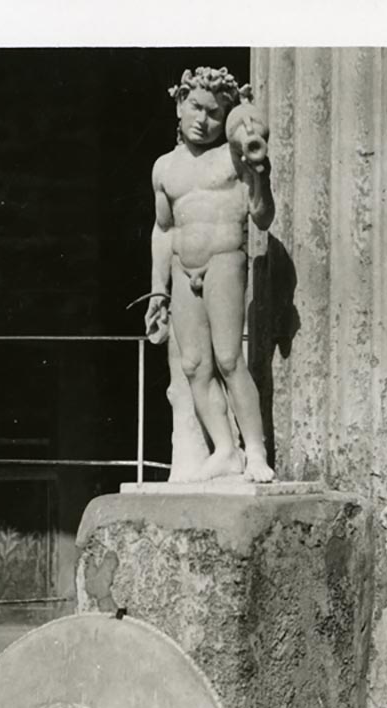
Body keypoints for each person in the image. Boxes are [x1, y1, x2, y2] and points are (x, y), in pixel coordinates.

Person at [145, 66, 276, 482]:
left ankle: (255, 451)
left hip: (223, 260)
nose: (203, 120)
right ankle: (225, 449)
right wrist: (157, 290)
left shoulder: (232, 157)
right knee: (194, 365)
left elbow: (262, 217)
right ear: (180, 104)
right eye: (196, 108)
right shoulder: (164, 168)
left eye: (215, 113)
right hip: (183, 268)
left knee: (228, 358)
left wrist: (261, 177)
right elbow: (164, 229)